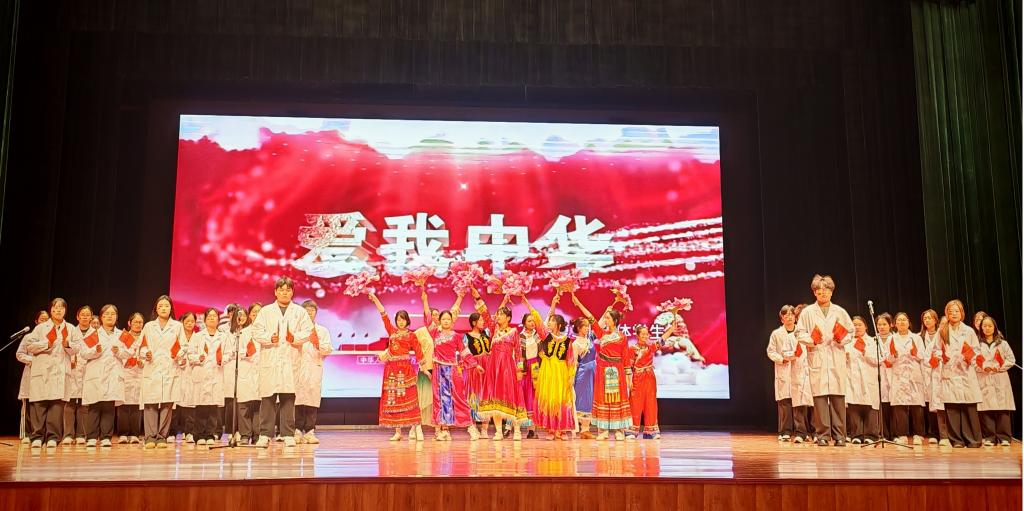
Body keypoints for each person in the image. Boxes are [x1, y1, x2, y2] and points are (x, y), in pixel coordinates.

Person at [251, 277, 315, 448]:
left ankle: (287, 434)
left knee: (288, 398)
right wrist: (268, 338)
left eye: (287, 290)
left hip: (290, 360)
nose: (284, 293)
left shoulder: (299, 312)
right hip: (270, 359)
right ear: (275, 292)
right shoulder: (266, 311)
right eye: (281, 290)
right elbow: (256, 331)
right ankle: (265, 434)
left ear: (292, 292)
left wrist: (294, 338)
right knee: (268, 398)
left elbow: (308, 331)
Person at [794, 274, 853, 447]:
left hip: (836, 356)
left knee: (837, 399)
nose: (822, 293)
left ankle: (840, 435)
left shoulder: (840, 311)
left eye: (826, 290)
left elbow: (850, 332)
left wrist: (841, 339)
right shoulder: (807, 313)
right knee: (820, 400)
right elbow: (799, 333)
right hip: (818, 357)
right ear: (814, 293)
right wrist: (812, 340)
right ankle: (823, 435)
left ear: (831, 292)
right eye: (819, 291)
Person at [571, 292, 632, 440]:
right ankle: (603, 430)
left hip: (617, 370)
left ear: (614, 321)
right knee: (603, 398)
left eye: (608, 318)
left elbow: (626, 358)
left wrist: (628, 378)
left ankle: (618, 430)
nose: (605, 319)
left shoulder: (622, 337)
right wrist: (578, 304)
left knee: (616, 398)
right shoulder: (601, 334)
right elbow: (591, 318)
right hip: (602, 370)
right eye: (605, 318)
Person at [25, 298, 81, 448]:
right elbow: (29, 346)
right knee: (40, 405)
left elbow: (78, 348)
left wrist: (68, 344)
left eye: (61, 308)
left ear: (65, 311)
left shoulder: (70, 328)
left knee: (56, 406)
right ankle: (37, 436)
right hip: (42, 372)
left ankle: (53, 437)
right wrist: (47, 343)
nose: (58, 310)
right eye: (55, 308)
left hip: (60, 373)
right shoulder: (41, 328)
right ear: (51, 310)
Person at [931, 300, 983, 448]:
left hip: (965, 371)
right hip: (950, 372)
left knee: (969, 408)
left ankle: (973, 440)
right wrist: (941, 356)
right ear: (946, 314)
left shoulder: (969, 331)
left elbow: (976, 350)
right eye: (950, 311)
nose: (953, 314)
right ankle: (957, 440)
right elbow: (935, 350)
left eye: (956, 311)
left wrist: (968, 357)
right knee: (952, 408)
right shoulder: (942, 331)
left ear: (962, 313)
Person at [139, 295, 188, 449]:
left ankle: (161, 437)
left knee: (167, 403)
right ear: (156, 309)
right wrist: (145, 353)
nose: (163, 308)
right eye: (160, 306)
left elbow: (184, 346)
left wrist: (179, 354)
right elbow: (141, 346)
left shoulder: (177, 326)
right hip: (152, 367)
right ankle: (150, 437)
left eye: (166, 305)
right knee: (150, 403)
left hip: (169, 367)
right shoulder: (148, 326)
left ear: (171, 308)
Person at [81, 304, 126, 447]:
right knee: (95, 406)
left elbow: (130, 352)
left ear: (116, 317)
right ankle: (92, 437)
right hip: (96, 374)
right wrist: (95, 351)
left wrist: (119, 352)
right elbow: (83, 353)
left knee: (108, 407)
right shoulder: (93, 334)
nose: (109, 316)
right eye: (106, 314)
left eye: (113, 314)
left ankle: (106, 437)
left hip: (113, 375)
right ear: (101, 317)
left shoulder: (122, 334)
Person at [885, 312, 927, 445]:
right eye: (899, 320)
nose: (902, 322)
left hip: (913, 374)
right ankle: (901, 434)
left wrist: (916, 354)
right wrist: (893, 355)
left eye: (904, 320)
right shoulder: (891, 339)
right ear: (894, 324)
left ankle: (918, 434)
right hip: (898, 375)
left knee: (916, 405)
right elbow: (887, 359)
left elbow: (923, 356)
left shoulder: (916, 338)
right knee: (900, 406)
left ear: (909, 323)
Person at [295, 300, 333, 444]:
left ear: (316, 313)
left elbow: (327, 350)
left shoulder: (322, 331)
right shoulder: (296, 330)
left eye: (312, 310)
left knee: (312, 400)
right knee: (297, 400)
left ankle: (310, 431)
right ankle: (297, 430)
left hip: (314, 368)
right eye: (307, 310)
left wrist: (317, 343)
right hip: (298, 369)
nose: (309, 312)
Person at [535, 313, 576, 440]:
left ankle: (562, 429)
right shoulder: (546, 336)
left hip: (561, 372)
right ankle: (551, 429)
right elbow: (538, 322)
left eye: (552, 321)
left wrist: (571, 376)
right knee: (550, 398)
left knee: (561, 399)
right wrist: (528, 304)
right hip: (548, 372)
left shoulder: (567, 341)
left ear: (559, 325)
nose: (549, 323)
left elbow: (570, 360)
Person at [976, 315, 1015, 446]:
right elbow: (973, 361)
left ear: (994, 327)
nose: (987, 328)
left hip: (1000, 377)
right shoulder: (977, 344)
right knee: (986, 409)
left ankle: (1004, 437)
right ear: (981, 328)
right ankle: (989, 437)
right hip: (984, 377)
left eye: (990, 326)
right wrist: (983, 368)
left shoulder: (1002, 343)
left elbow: (1011, 359)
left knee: (1002, 408)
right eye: (984, 326)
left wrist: (999, 367)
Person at [189, 308, 226, 446]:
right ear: (204, 320)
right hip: (202, 373)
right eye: (209, 316)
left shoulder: (223, 337)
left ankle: (210, 434)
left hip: (216, 373)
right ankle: (199, 435)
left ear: (218, 319)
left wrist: (222, 359)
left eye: (214, 316)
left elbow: (229, 353)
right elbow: (190, 354)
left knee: (213, 407)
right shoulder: (198, 336)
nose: (212, 318)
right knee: (201, 407)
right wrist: (198, 358)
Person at [844, 316, 880, 444]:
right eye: (854, 325)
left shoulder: (873, 341)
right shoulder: (847, 342)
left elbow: (879, 360)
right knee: (854, 406)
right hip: (852, 379)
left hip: (869, 379)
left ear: (866, 326)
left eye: (859, 324)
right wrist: (844, 357)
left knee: (870, 407)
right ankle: (857, 435)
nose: (857, 327)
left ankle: (871, 435)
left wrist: (864, 351)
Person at [766, 305, 799, 441]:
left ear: (795, 317)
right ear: (782, 319)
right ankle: (785, 431)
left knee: (800, 403)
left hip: (798, 369)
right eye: (786, 315)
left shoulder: (801, 332)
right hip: (784, 369)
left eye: (792, 314)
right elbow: (770, 351)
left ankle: (801, 432)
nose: (789, 317)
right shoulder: (776, 334)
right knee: (785, 403)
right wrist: (781, 359)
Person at [17, 311, 49, 444]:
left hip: (47, 376)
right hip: (31, 374)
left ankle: (44, 435)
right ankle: (28, 434)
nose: (44, 322)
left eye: (47, 320)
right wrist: (34, 361)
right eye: (42, 319)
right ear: (36, 322)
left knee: (44, 405)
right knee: (30, 404)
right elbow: (20, 354)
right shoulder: (28, 337)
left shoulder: (52, 337)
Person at [62, 306, 93, 445]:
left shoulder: (95, 333)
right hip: (72, 369)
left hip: (88, 370)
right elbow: (65, 348)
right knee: (69, 403)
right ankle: (68, 434)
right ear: (77, 317)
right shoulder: (70, 331)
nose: (85, 317)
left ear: (91, 317)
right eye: (83, 314)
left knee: (84, 405)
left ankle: (81, 434)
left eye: (88, 315)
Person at [236, 303, 263, 444]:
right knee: (244, 405)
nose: (256, 314)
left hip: (261, 372)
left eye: (259, 312)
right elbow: (238, 351)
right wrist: (247, 352)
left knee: (259, 405)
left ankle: (257, 434)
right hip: (246, 370)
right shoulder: (243, 332)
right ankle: (245, 435)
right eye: (254, 312)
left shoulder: (267, 332)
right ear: (249, 315)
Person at [920, 309, 948, 445]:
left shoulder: (942, 335)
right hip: (926, 372)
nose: (927, 320)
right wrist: (932, 362)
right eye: (925, 318)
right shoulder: (919, 336)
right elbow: (924, 357)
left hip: (942, 372)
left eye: (930, 318)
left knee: (942, 403)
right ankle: (934, 433)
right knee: (931, 402)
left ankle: (946, 434)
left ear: (936, 320)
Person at [626, 325, 659, 440]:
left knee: (650, 402)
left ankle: (651, 431)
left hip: (650, 377)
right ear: (638, 335)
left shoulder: (650, 347)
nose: (645, 336)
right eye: (643, 334)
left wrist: (671, 329)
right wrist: (629, 381)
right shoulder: (632, 349)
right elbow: (628, 367)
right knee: (635, 403)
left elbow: (662, 340)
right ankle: (631, 431)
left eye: (647, 334)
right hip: (637, 377)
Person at [117, 313, 145, 444]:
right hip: (125, 371)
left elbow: (148, 353)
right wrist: (125, 361)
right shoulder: (124, 336)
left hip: (140, 372)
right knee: (123, 404)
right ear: (129, 323)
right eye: (135, 322)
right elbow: (117, 352)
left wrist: (143, 362)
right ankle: (123, 433)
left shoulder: (145, 337)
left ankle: (134, 433)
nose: (138, 325)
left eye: (140, 322)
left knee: (136, 404)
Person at [571, 317, 596, 439]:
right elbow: (575, 362)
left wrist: (608, 309)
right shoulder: (575, 344)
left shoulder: (590, 338)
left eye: (588, 325)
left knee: (591, 398)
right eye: (584, 326)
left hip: (593, 372)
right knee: (582, 400)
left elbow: (600, 323)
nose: (587, 328)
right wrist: (572, 378)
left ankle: (586, 429)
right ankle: (583, 429)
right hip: (582, 374)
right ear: (579, 328)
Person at [177, 312, 198, 443]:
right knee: (176, 404)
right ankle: (173, 432)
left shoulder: (198, 337)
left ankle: (189, 432)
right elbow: (172, 352)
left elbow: (201, 354)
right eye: (187, 321)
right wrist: (180, 361)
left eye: (192, 321)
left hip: (193, 372)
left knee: (191, 404)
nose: (190, 323)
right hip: (179, 372)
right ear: (182, 322)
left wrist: (197, 359)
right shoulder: (177, 336)